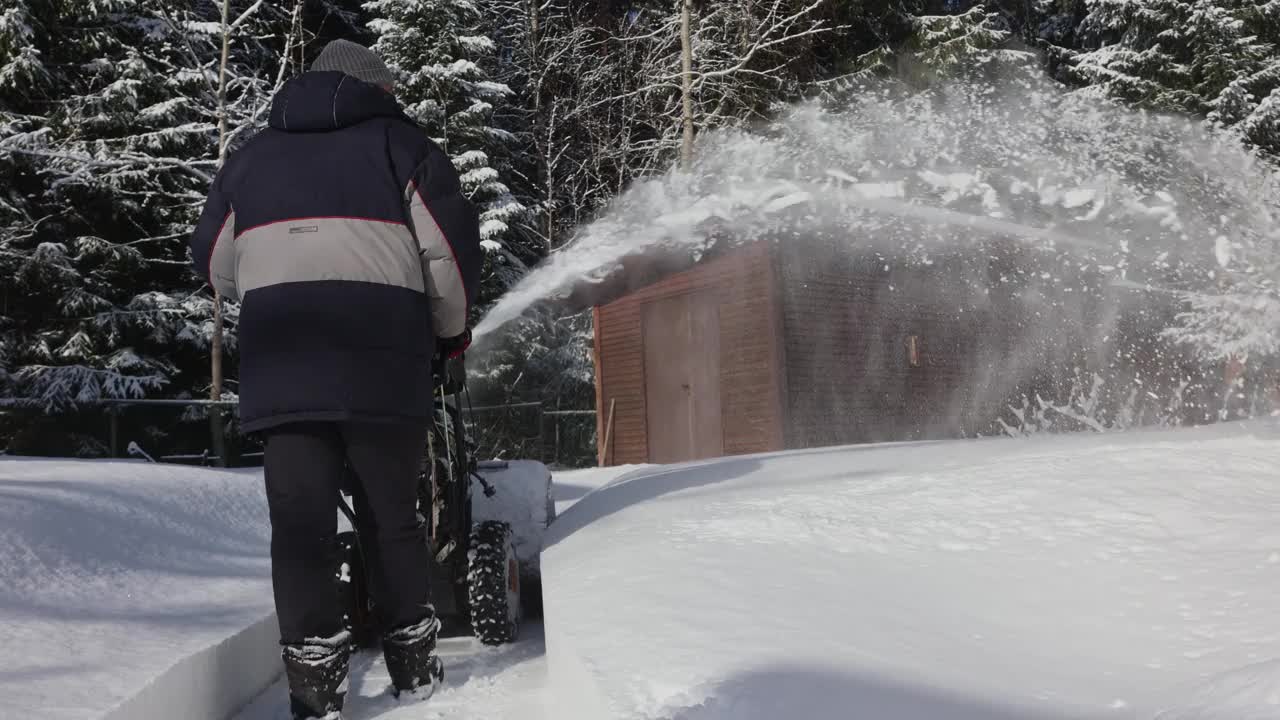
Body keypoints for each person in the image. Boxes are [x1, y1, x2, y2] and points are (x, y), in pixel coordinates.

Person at [187, 39, 482, 720]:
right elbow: (449, 260)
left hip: (283, 368)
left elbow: (214, 266)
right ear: (378, 90)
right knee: (394, 520)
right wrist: (449, 336)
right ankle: (413, 671)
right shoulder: (402, 148)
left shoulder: (249, 160)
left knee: (300, 528)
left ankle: (315, 692)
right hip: (384, 369)